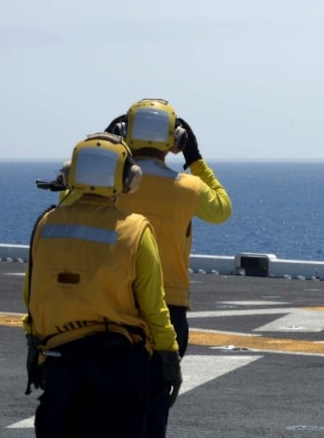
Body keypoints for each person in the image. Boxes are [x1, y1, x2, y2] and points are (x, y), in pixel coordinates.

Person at [23, 132, 182, 438]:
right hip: (118, 367)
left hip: (60, 363)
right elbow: (154, 305)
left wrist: (33, 344)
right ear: (128, 179)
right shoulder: (135, 230)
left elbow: (34, 294)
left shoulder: (47, 225)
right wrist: (169, 356)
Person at [106, 98, 233, 438]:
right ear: (175, 140)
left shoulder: (110, 187)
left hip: (112, 305)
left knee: (110, 409)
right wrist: (195, 159)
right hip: (169, 307)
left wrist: (106, 148)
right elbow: (222, 209)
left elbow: (69, 203)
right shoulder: (188, 189)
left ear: (124, 134)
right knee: (154, 408)